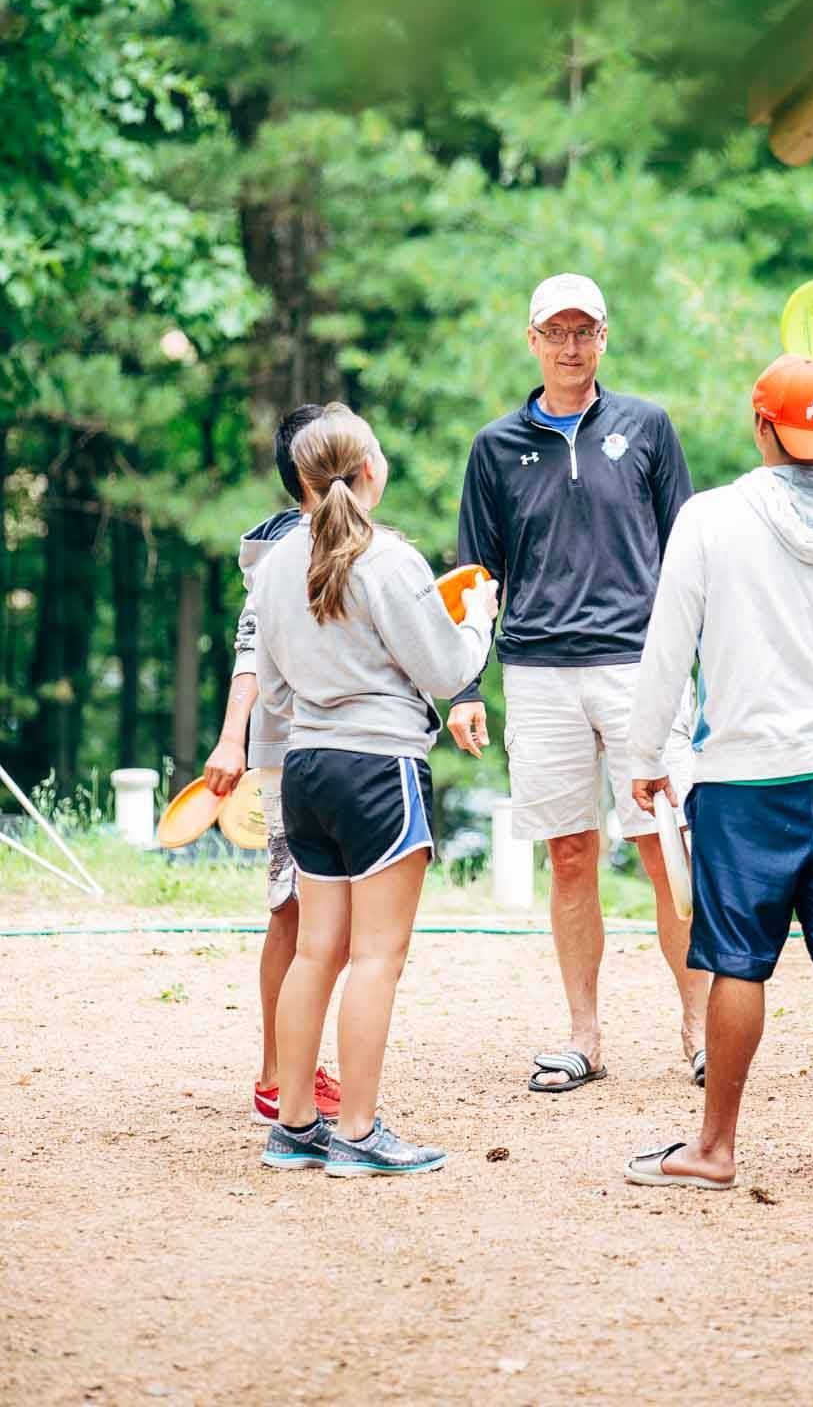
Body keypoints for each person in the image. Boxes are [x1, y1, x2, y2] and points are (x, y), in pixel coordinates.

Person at [624, 355, 813, 1190]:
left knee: (737, 960)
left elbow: (667, 648)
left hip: (743, 780)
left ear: (761, 425)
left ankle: (714, 1149)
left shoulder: (709, 517)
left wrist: (643, 759)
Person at [448, 273, 708, 1093]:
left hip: (641, 666)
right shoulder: (495, 447)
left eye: (584, 331)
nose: (570, 346)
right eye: (555, 332)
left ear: (604, 337)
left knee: (664, 846)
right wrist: (463, 686)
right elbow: (473, 575)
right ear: (531, 340)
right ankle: (585, 1036)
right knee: (569, 853)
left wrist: (708, 662)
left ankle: (700, 1031)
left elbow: (690, 551)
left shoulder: (648, 426)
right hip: (536, 670)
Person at [253, 404, 498, 1175]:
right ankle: (357, 1133)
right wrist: (479, 620)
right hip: (380, 769)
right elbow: (449, 671)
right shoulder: (389, 560)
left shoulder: (274, 562)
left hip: (307, 768)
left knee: (316, 951)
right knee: (377, 958)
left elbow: (275, 688)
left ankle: (295, 1126)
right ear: (368, 471)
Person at [202, 403, 343, 1125]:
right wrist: (233, 739)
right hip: (291, 752)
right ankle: (276, 1074)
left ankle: (292, 1065)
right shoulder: (287, 547)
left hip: (332, 750)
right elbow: (249, 649)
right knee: (294, 912)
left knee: (318, 916)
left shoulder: (341, 537)